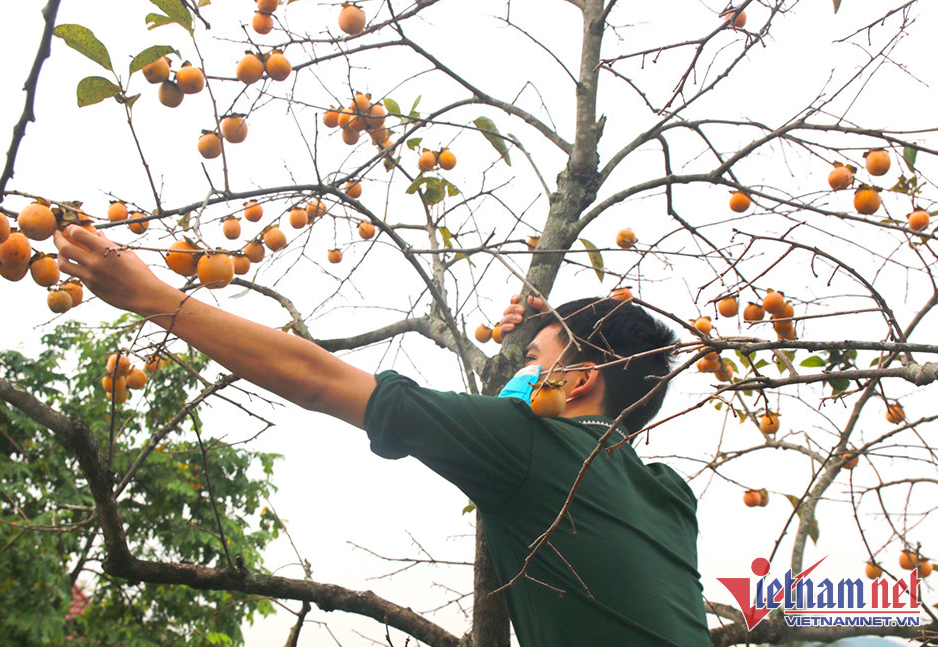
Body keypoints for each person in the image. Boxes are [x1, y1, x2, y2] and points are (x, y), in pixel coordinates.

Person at [53, 225, 712, 647]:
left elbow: (315, 379)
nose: (522, 374)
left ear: (576, 383)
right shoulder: (670, 498)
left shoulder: (532, 450)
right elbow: (551, 402)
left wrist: (150, 295)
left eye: (536, 363)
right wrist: (548, 337)